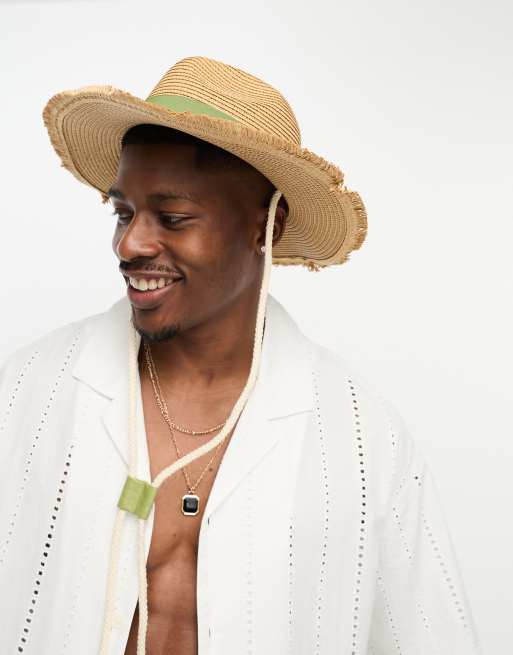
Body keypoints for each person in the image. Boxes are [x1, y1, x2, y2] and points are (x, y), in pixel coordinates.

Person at [0, 56, 481, 655]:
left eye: (172, 218)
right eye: (124, 213)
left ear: (267, 228)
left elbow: (433, 637)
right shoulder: (27, 394)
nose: (131, 243)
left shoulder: (362, 440)